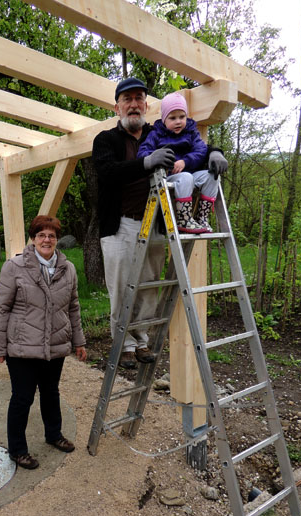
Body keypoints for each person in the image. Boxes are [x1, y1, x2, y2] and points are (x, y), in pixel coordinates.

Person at [92, 77, 176, 370]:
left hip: (153, 224)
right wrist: (146, 163)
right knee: (121, 288)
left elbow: (189, 139)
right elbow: (108, 172)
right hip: (121, 225)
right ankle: (124, 344)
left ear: (146, 105)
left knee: (149, 286)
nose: (133, 104)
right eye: (127, 99)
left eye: (139, 98)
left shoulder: (159, 134)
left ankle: (141, 341)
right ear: (117, 107)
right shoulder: (106, 140)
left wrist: (214, 152)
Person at [0, 215, 87, 470]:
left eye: (52, 235)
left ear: (57, 240)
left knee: (51, 393)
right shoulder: (14, 267)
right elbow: (1, 309)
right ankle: (18, 450)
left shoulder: (68, 269)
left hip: (55, 345)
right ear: (33, 239)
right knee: (22, 398)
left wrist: (79, 341)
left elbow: (74, 307)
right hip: (22, 347)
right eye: (41, 234)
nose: (47, 239)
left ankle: (54, 435)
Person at [137, 91, 228, 233]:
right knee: (186, 177)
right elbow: (143, 153)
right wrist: (157, 158)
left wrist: (185, 162)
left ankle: (201, 217)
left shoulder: (191, 132)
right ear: (164, 119)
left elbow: (201, 151)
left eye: (182, 116)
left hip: (189, 173)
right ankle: (184, 219)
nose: (178, 121)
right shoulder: (155, 134)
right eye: (172, 118)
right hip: (167, 176)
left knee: (212, 176)